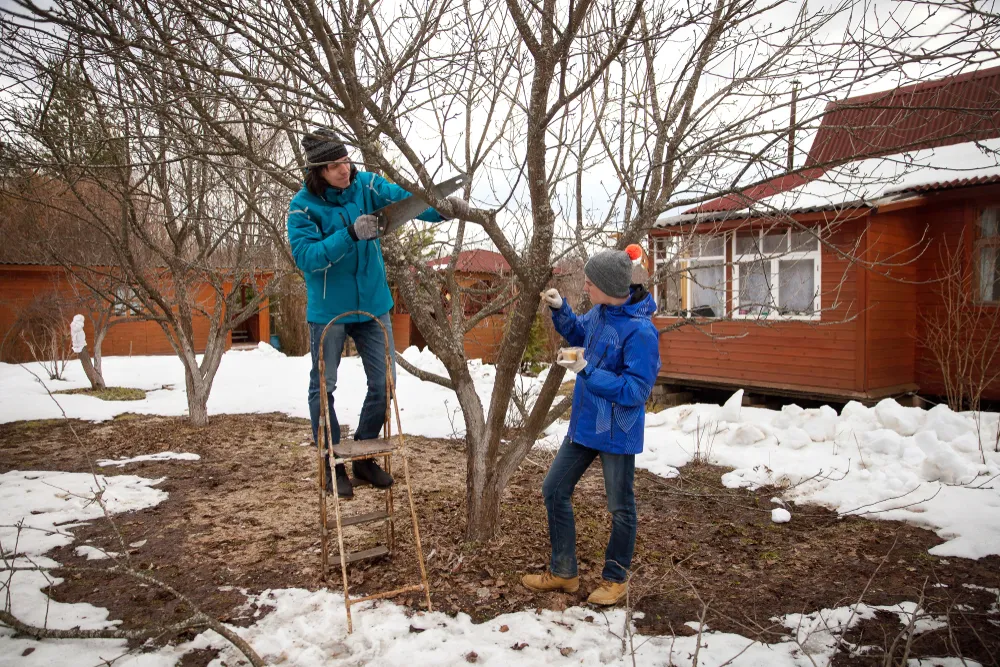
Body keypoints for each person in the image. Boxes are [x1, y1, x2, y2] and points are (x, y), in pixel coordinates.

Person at [286, 127, 470, 498]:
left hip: (372, 304)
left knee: (384, 383)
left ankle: (363, 455)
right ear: (318, 171)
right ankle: (330, 462)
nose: (345, 168)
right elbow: (306, 257)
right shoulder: (302, 207)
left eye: (345, 160)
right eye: (335, 165)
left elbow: (409, 200)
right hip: (329, 311)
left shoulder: (366, 186)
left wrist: (446, 208)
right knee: (324, 387)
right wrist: (350, 234)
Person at [522, 249, 661, 606]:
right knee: (554, 489)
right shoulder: (600, 312)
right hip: (586, 424)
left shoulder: (641, 332)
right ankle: (565, 571)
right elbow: (577, 330)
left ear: (610, 287)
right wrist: (559, 309)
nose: (585, 284)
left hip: (618, 430)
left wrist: (586, 370)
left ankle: (615, 579)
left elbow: (635, 391)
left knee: (620, 506)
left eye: (590, 281)